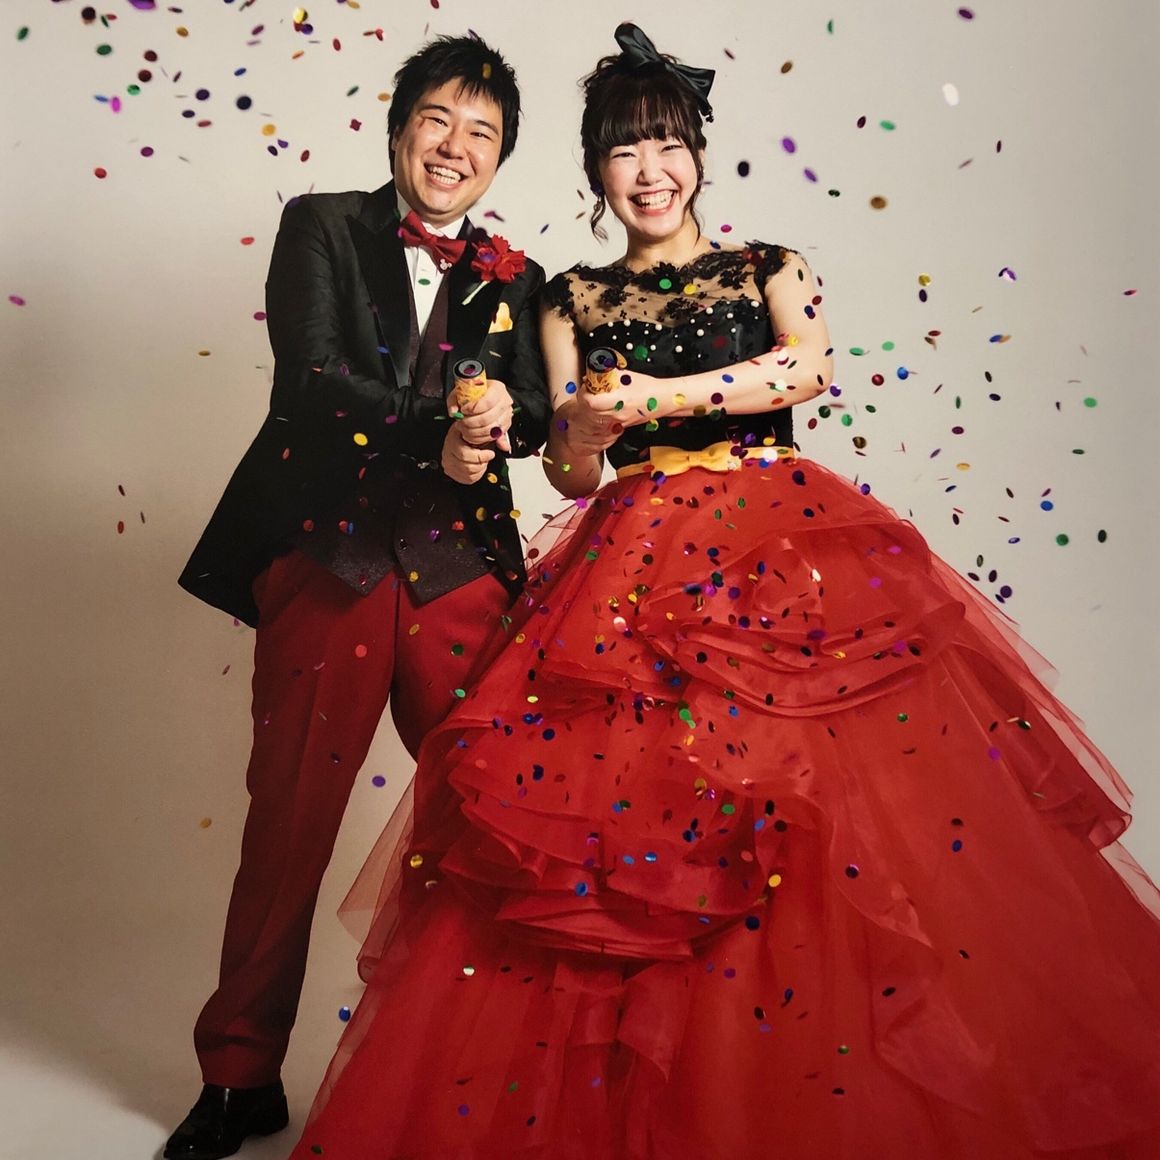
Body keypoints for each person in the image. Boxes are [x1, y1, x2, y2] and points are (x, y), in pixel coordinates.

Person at [283, 24, 1160, 1160]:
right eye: (622, 153)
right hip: (630, 557)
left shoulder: (769, 267)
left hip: (776, 547)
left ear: (696, 154)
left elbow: (803, 367)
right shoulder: (569, 298)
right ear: (594, 173)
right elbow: (570, 469)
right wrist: (583, 429)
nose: (648, 172)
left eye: (666, 147)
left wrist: (646, 399)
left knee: (822, 805)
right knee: (632, 828)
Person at [165, 33, 550, 1160]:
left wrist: (505, 421)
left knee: (492, 821)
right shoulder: (321, 225)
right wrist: (443, 424)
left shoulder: (515, 276)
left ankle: (486, 1077)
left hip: (460, 573)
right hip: (329, 562)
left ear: (499, 159)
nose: (455, 146)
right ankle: (238, 1076)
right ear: (397, 129)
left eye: (481, 132)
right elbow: (311, 380)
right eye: (437, 119)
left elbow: (533, 407)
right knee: (288, 827)